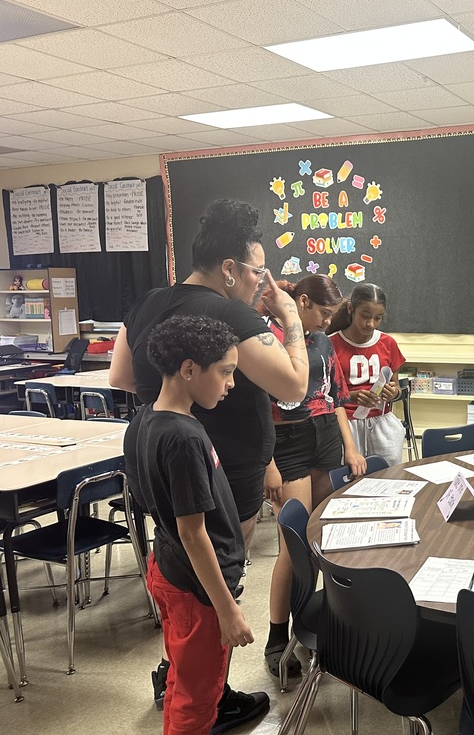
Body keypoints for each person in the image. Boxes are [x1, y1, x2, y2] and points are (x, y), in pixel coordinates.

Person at [109, 199, 308, 709]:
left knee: (178, 568)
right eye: (257, 272)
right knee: (215, 581)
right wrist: (289, 316)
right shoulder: (232, 311)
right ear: (229, 269)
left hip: (162, 465)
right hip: (221, 475)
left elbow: (122, 378)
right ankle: (206, 695)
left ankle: (176, 673)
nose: (261, 283)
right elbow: (293, 386)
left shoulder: (151, 301)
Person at [124, 314, 268, 735]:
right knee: (198, 696)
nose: (231, 383)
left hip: (168, 569)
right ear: (189, 370)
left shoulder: (145, 420)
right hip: (196, 589)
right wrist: (228, 610)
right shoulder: (184, 438)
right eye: (225, 372)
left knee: (182, 677)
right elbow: (192, 532)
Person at [262, 275, 367, 678]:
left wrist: (351, 448)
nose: (328, 322)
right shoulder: (269, 339)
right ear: (301, 302)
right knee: (294, 543)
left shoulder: (322, 342)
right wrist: (267, 463)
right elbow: (260, 407)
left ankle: (319, 618)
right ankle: (277, 637)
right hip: (285, 439)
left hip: (323, 435)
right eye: (323, 313)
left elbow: (337, 397)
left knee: (324, 534)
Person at [328, 283, 406, 467]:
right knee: (349, 479)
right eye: (365, 316)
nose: (370, 323)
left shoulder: (388, 343)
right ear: (350, 309)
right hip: (346, 425)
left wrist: (393, 393)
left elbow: (397, 388)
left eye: (378, 318)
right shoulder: (331, 343)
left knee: (389, 478)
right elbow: (325, 395)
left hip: (382, 425)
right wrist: (350, 396)